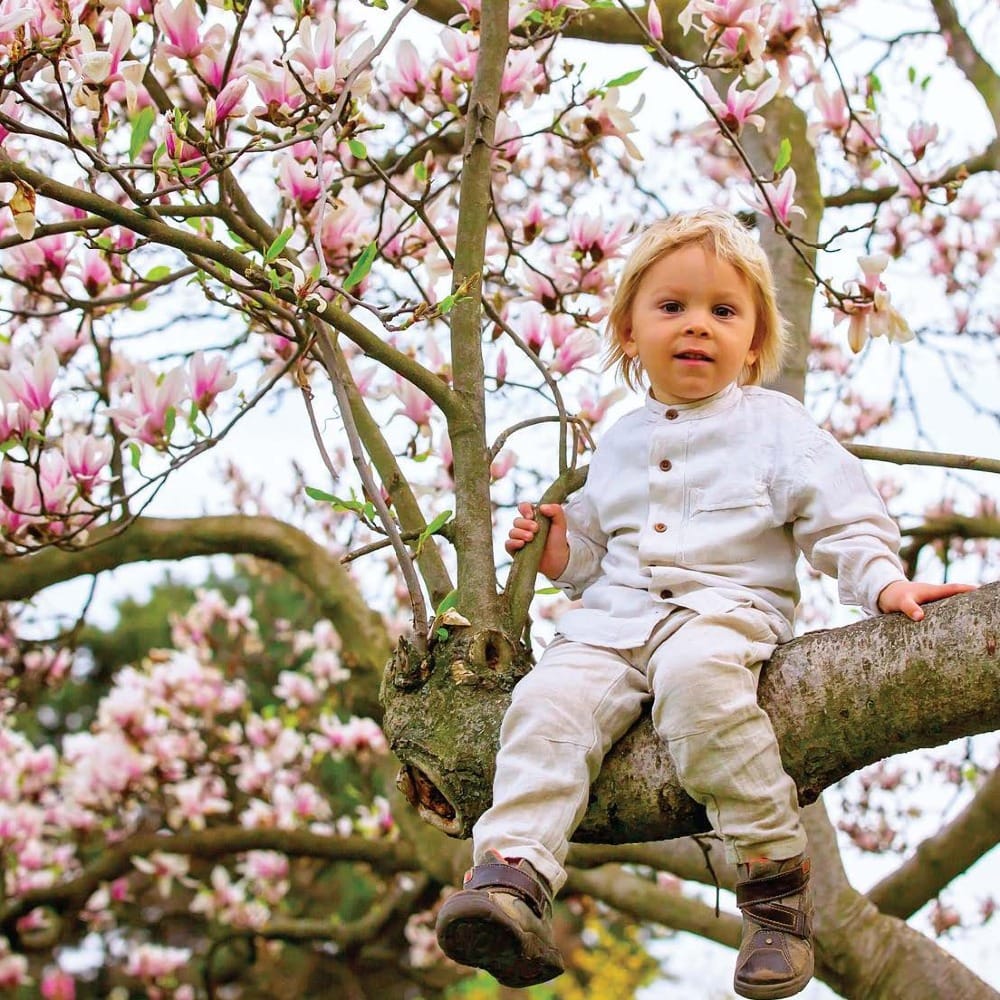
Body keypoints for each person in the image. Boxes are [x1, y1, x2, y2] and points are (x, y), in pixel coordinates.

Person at [434, 208, 973, 999]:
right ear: (628, 332)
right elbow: (590, 553)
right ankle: (511, 877)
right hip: (612, 623)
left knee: (700, 693)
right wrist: (555, 548)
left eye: (723, 312)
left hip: (720, 614)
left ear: (753, 343)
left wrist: (883, 582)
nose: (697, 326)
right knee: (546, 704)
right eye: (672, 307)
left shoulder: (773, 426)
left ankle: (773, 885)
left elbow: (841, 514)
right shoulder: (618, 438)